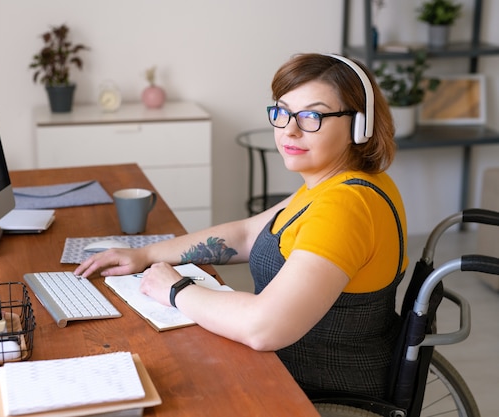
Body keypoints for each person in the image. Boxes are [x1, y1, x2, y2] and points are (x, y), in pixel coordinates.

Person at [75, 53, 408, 398]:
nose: (289, 130)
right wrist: (145, 254)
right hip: (282, 372)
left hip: (316, 392)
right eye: (282, 112)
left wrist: (175, 290)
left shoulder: (346, 206)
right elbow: (248, 235)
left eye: (311, 116)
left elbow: (265, 328)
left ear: (360, 125)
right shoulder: (338, 185)